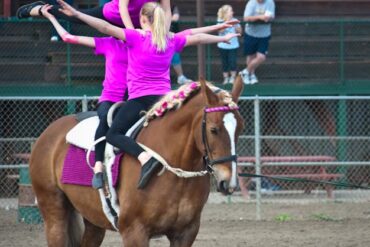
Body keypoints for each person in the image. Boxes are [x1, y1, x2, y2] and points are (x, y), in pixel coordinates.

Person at [56, 0, 240, 189]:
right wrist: (221, 36)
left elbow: (104, 26)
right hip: (165, 100)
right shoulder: (170, 39)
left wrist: (78, 14)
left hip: (141, 100)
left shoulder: (136, 37)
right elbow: (197, 36)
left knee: (113, 134)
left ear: (143, 19)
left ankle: (145, 158)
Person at [40, 4, 128, 189]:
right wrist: (52, 18)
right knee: (105, 120)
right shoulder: (108, 43)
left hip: (135, 96)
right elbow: (68, 37)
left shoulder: (140, 42)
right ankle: (98, 167)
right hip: (111, 98)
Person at [16, 0, 171, 30]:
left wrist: (164, 31)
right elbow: (123, 7)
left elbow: (167, 10)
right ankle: (38, 8)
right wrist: (131, 32)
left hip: (140, 23)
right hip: (112, 15)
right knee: (73, 16)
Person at [240, 0, 275, 84]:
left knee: (261, 57)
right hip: (251, 33)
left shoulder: (270, 2)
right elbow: (246, 18)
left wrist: (268, 17)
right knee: (251, 56)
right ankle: (251, 75)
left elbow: (272, 16)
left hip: (264, 34)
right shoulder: (251, 3)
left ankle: (245, 72)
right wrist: (259, 17)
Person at [216, 5, 241, 85]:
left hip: (233, 45)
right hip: (223, 46)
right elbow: (220, 31)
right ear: (226, 13)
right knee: (224, 62)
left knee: (232, 62)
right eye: (230, 11)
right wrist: (227, 23)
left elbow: (240, 31)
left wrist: (235, 25)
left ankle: (233, 78)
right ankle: (226, 78)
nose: (232, 12)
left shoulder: (235, 21)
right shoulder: (220, 20)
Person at [170, 5, 191, 85]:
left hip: (173, 36)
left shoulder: (173, 6)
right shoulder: (155, 4)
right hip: (159, 36)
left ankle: (180, 77)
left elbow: (175, 18)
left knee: (175, 56)